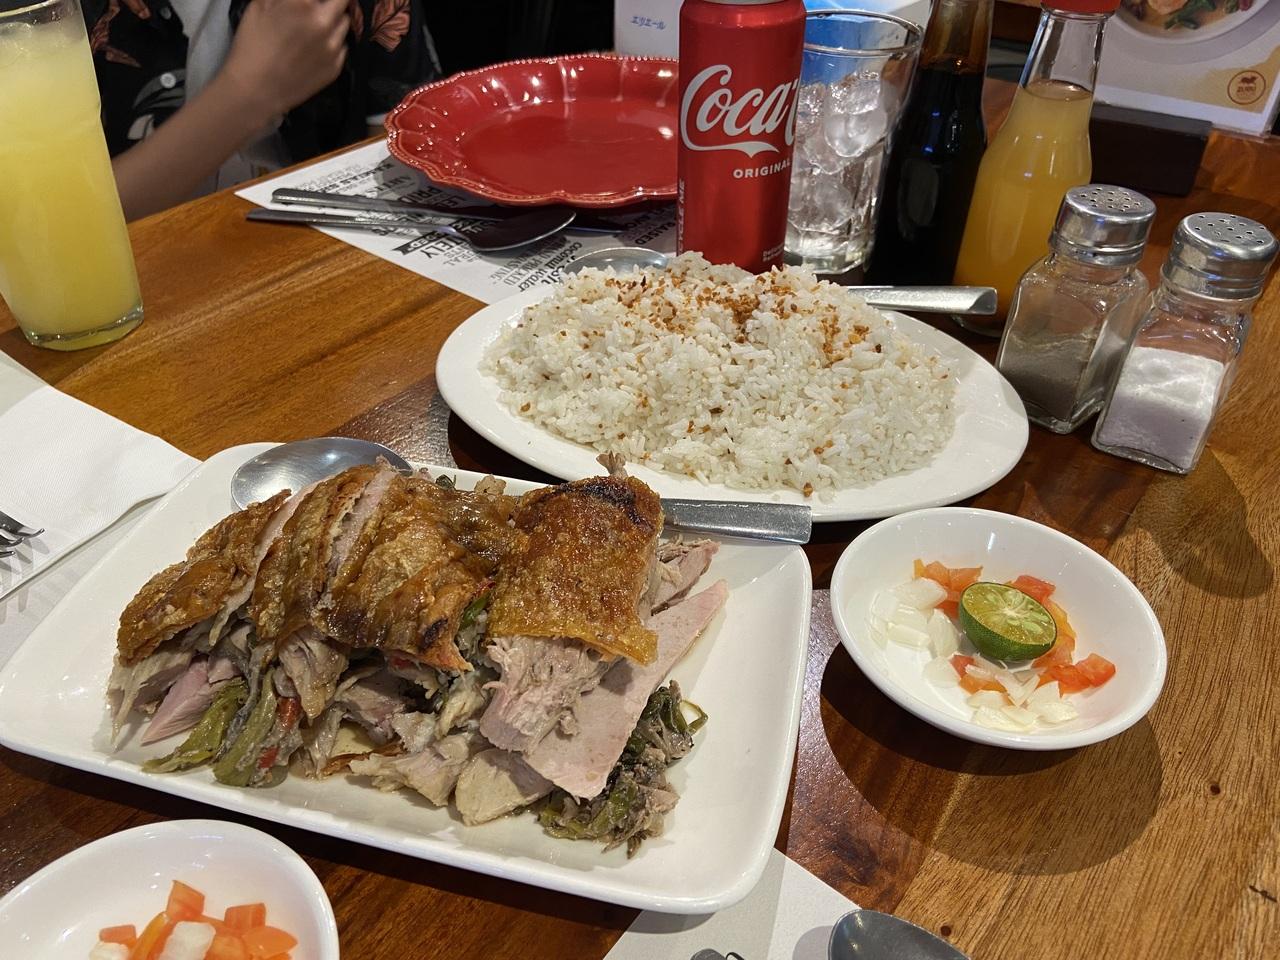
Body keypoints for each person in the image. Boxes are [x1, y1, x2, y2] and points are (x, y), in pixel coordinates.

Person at [83, 0, 440, 220]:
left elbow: (407, 149)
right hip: (141, 279)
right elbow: (68, 227)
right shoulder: (69, 18)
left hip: (314, 254)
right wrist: (248, 94)